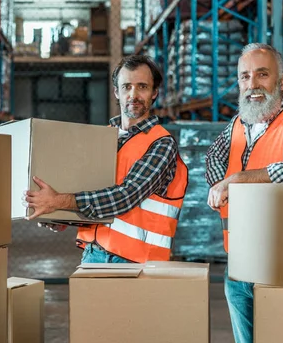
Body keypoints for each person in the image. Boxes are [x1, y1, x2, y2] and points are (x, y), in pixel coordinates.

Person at [205, 43, 283, 343]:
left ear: (282, 80)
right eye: (245, 77)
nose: (252, 84)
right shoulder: (237, 124)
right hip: (240, 263)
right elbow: (213, 157)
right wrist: (219, 184)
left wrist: (238, 180)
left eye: (262, 74)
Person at [23, 54, 189, 264]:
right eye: (127, 86)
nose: (133, 94)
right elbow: (91, 191)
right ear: (116, 92)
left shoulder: (161, 143)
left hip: (137, 263)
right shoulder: (104, 138)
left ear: (154, 93)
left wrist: (58, 201)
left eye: (142, 87)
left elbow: (125, 196)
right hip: (93, 253)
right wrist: (62, 215)